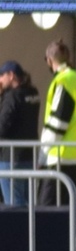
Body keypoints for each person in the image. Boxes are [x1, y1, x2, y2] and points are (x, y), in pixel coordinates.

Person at [39, 39, 76, 206]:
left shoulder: (64, 82)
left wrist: (42, 155)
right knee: (67, 216)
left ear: (49, 60)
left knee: (45, 213)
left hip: (59, 157)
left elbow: (58, 122)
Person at [0, 61, 37, 207]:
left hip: (10, 158)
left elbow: (2, 127)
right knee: (28, 203)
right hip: (28, 156)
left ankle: (18, 231)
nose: (0, 80)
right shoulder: (33, 93)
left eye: (2, 76)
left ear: (11, 75)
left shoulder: (12, 97)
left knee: (14, 205)